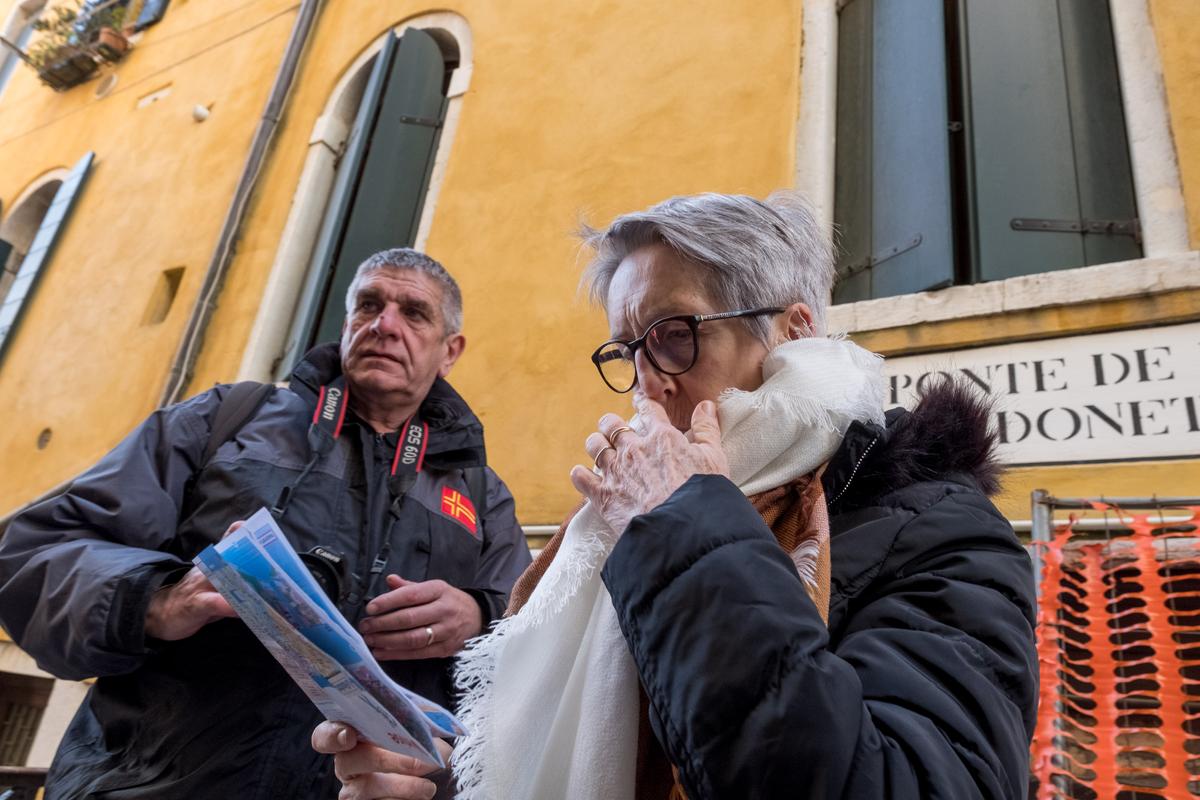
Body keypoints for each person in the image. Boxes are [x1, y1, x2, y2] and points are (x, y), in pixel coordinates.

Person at [316, 193, 1037, 799]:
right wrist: (437, 782)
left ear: (793, 333)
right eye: (628, 351)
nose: (648, 385)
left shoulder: (936, 528)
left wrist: (686, 524)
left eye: (675, 335)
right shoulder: (611, 534)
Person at [0, 248, 532, 799]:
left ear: (451, 351)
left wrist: (478, 615)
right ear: (347, 322)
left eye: (414, 313)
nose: (384, 325)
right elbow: (37, 553)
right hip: (149, 786)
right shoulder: (227, 419)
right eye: (368, 305)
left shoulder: (482, 495)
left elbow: (534, 645)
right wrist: (158, 598)